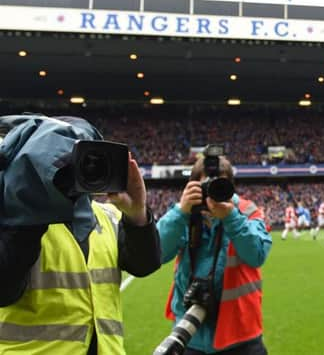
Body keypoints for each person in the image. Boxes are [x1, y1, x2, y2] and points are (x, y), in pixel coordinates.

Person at [0, 115, 161, 355]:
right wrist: (30, 207)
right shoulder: (11, 218)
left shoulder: (106, 215)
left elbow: (143, 265)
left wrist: (137, 214)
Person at [158, 155, 272, 355]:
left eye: (219, 185)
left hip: (240, 335)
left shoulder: (247, 211)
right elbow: (156, 253)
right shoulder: (184, 214)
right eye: (206, 186)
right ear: (194, 186)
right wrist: (180, 212)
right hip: (192, 332)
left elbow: (257, 255)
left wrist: (231, 218)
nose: (213, 192)